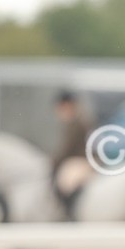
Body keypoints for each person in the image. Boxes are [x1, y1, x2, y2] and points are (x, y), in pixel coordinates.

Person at [51, 90, 93, 220]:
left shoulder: (77, 123)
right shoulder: (76, 121)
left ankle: (69, 212)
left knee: (65, 183)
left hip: (80, 160)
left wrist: (54, 161)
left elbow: (67, 148)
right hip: (79, 159)